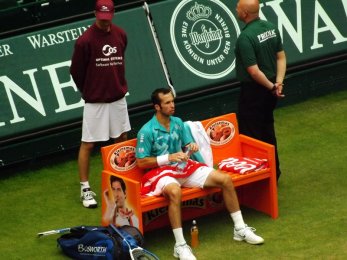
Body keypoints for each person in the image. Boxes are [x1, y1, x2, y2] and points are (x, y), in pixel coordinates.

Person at [136, 88, 264, 260]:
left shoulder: (178, 123)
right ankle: (180, 246)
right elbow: (141, 162)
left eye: (172, 101)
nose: (172, 105)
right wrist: (169, 157)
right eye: (167, 103)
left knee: (225, 179)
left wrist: (191, 147)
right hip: (159, 174)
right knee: (175, 192)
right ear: (157, 107)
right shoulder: (146, 131)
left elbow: (188, 143)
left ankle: (240, 229)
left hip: (182, 167)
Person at [70, 0, 131, 208]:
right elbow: (76, 71)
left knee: (121, 139)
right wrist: (89, 90)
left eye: (108, 19)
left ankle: (121, 182)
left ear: (113, 14)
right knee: (88, 143)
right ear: (95, 14)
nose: (105, 23)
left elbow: (120, 60)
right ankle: (85, 188)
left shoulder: (121, 34)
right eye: (101, 19)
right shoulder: (84, 41)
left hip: (118, 98)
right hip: (95, 102)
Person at [234, 0, 286, 182]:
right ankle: (274, 173)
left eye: (238, 8)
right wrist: (278, 83)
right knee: (267, 129)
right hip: (270, 88)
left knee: (252, 134)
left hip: (255, 91)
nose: (236, 9)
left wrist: (272, 86)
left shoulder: (245, 38)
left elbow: (254, 71)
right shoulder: (271, 27)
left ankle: (260, 178)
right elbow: (281, 57)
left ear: (245, 13)